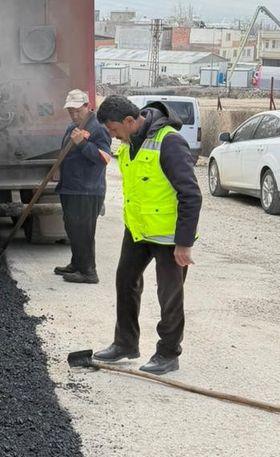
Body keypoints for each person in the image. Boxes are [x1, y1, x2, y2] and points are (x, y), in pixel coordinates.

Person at [92, 95, 202, 375]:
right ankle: (125, 344)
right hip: (138, 231)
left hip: (168, 236)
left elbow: (190, 194)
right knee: (125, 281)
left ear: (130, 121)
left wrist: (184, 243)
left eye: (115, 130)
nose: (114, 137)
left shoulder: (169, 142)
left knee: (169, 295)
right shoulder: (130, 145)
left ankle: (168, 353)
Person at [54, 89, 113, 284]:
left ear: (88, 106)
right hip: (71, 187)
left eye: (77, 110)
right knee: (72, 228)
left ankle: (88, 272)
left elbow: (104, 158)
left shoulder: (98, 128)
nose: (74, 114)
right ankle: (77, 263)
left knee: (84, 231)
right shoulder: (73, 126)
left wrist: (82, 144)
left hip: (87, 190)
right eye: (70, 111)